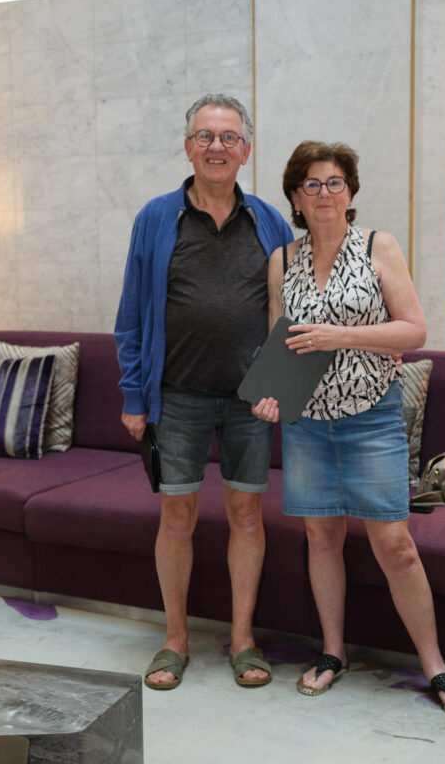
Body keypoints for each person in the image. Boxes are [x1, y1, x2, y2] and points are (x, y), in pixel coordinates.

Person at [251, 141, 445, 719]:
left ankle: (436, 666)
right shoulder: (282, 259)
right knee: (321, 538)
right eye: (311, 184)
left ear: (350, 190)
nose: (324, 193)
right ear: (295, 197)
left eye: (335, 182)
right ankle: (333, 652)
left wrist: (342, 336)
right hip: (307, 424)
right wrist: (272, 395)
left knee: (395, 546)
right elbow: (280, 341)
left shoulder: (379, 246)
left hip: (372, 416)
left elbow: (414, 330)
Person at [115, 94, 294, 691]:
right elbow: (131, 316)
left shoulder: (269, 221)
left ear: (246, 149)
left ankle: (242, 640)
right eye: (205, 136)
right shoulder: (155, 218)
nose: (217, 146)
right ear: (188, 146)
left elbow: (293, 309)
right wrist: (134, 396)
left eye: (228, 137)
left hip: (250, 400)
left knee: (247, 515)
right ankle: (175, 640)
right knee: (177, 517)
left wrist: (282, 384)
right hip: (178, 397)